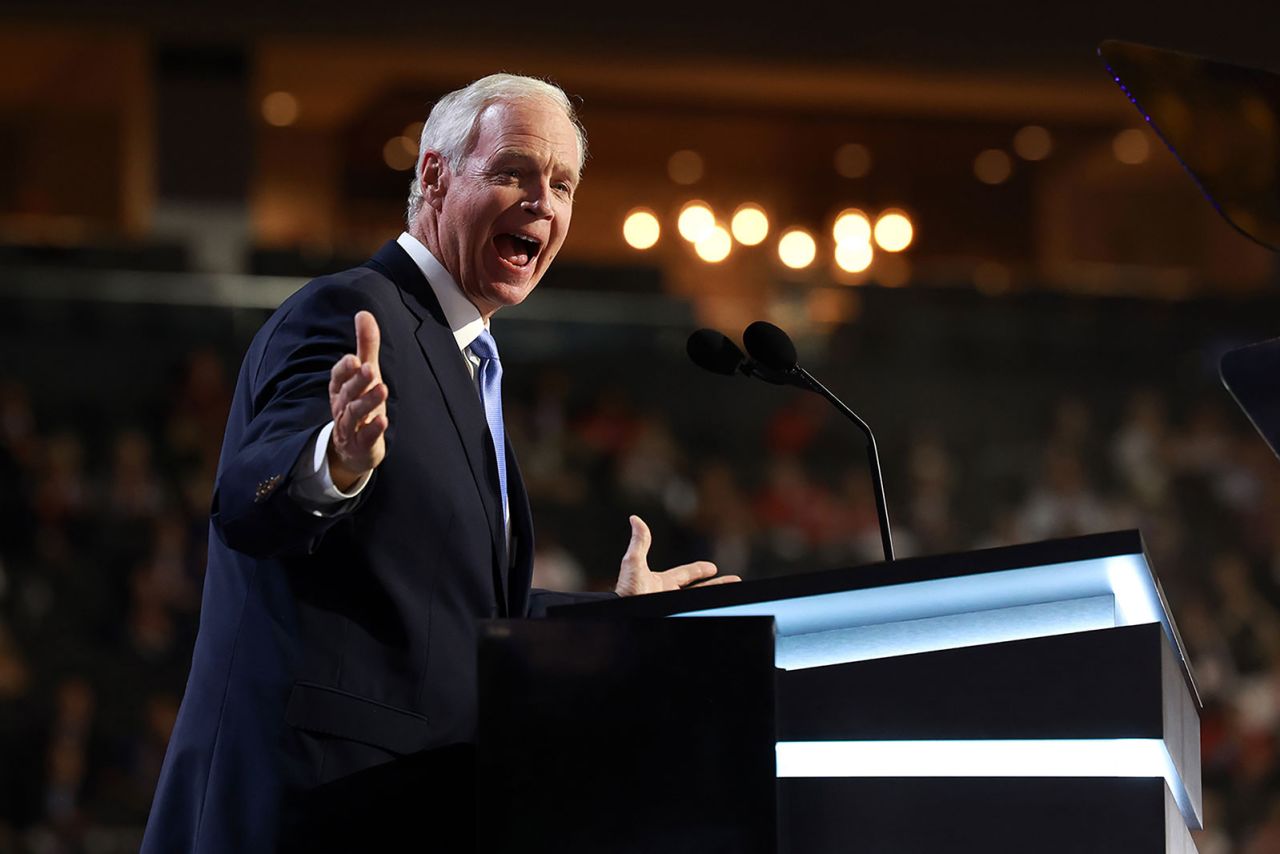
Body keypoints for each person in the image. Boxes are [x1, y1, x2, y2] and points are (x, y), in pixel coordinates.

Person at [140, 73, 736, 853]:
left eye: (562, 185)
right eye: (514, 172)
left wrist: (616, 616)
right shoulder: (352, 313)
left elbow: (455, 609)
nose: (543, 204)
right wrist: (335, 460)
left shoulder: (467, 358)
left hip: (407, 807)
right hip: (306, 807)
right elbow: (250, 504)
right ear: (433, 175)